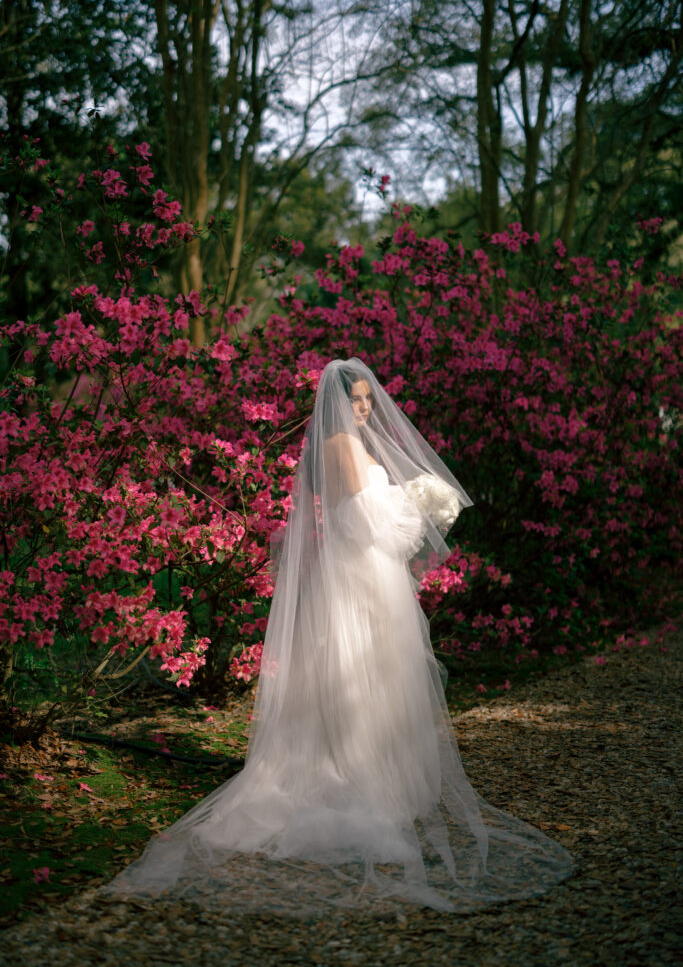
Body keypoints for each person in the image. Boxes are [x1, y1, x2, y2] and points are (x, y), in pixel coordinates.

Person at [101, 357, 573, 914]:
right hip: (361, 576)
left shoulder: (350, 446)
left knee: (381, 675)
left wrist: (413, 504)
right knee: (366, 672)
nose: (366, 409)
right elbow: (365, 522)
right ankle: (359, 783)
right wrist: (418, 506)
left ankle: (378, 778)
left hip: (369, 575)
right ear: (337, 404)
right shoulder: (344, 448)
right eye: (357, 401)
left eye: (369, 399)